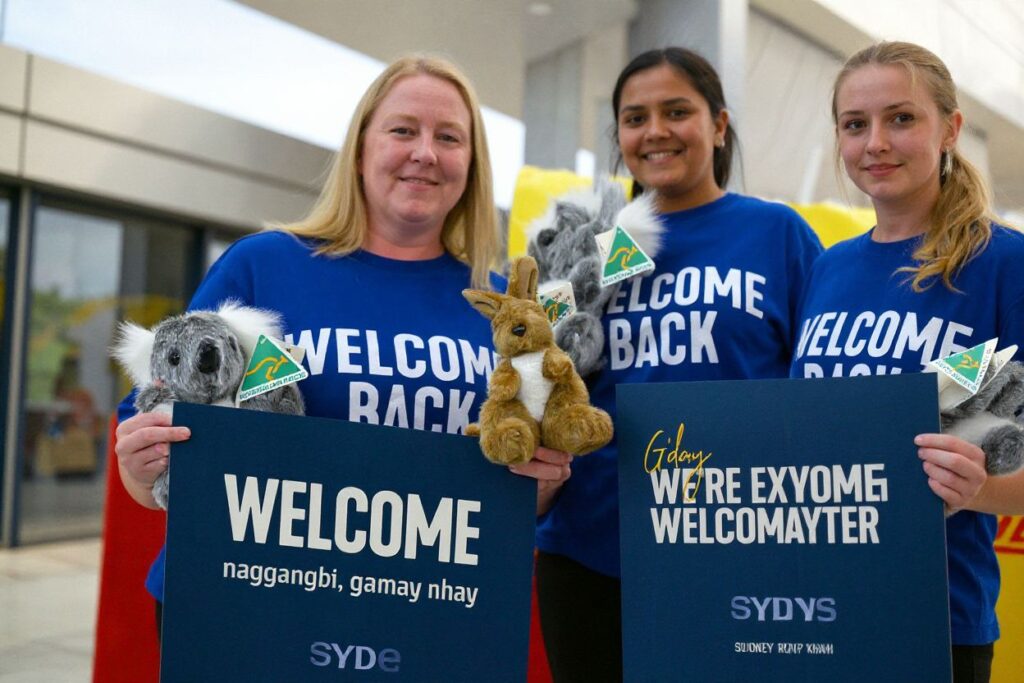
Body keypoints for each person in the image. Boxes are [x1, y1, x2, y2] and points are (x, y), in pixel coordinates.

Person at [113, 54, 572, 637]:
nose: (425, 152)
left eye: (448, 137)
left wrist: (546, 481)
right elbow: (153, 447)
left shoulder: (506, 310)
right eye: (403, 130)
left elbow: (520, 497)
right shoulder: (262, 265)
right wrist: (142, 460)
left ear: (471, 166)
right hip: (247, 606)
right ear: (360, 151)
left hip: (426, 617)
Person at [533, 47, 823, 682]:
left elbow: (819, 392)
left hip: (737, 547)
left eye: (677, 111)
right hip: (590, 551)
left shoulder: (777, 235)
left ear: (719, 126)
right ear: (620, 137)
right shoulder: (588, 242)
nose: (655, 131)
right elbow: (537, 375)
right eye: (635, 118)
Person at [790, 41, 1024, 683]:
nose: (876, 144)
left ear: (949, 129)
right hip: (815, 606)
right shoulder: (829, 267)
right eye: (854, 125)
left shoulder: (1005, 264)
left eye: (901, 118)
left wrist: (979, 489)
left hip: (937, 616)